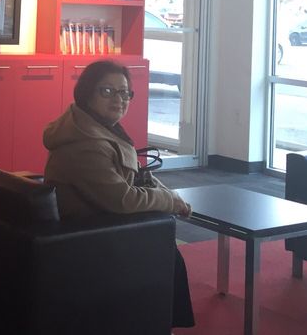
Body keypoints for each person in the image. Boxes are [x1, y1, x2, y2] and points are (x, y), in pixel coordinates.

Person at [43, 59, 195, 330]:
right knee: (164, 244)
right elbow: (123, 199)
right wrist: (169, 201)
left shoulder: (95, 126)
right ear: (87, 93)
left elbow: (135, 176)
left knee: (165, 242)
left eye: (124, 93)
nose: (119, 99)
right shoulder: (85, 143)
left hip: (102, 224)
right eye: (107, 91)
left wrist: (167, 194)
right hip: (92, 238)